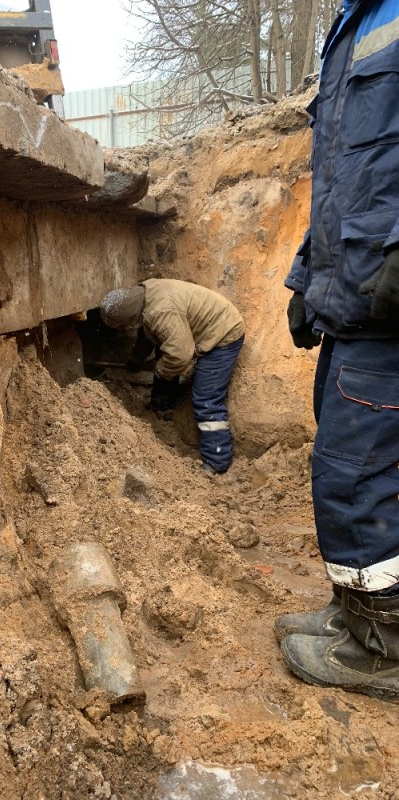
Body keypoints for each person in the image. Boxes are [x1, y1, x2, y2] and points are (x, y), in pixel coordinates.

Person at [278, 0, 399, 701]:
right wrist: (306, 278)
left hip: (387, 305)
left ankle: (386, 648)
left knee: (355, 481)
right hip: (352, 300)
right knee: (351, 462)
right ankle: (357, 617)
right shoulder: (354, 24)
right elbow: (342, 183)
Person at [99, 278, 245, 474]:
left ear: (127, 323)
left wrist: (160, 371)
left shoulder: (160, 312)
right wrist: (136, 360)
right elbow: (148, 335)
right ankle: (162, 406)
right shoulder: (144, 295)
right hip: (206, 325)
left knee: (206, 397)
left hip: (223, 334)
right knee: (164, 354)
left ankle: (217, 460)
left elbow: (180, 355)